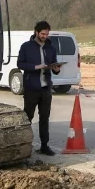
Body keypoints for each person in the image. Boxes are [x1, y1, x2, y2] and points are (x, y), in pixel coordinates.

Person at [17, 21, 61, 155]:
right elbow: (20, 63)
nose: (45, 36)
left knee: (44, 118)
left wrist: (57, 69)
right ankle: (24, 145)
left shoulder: (51, 48)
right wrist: (35, 67)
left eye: (47, 34)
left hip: (46, 89)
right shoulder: (26, 46)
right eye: (42, 34)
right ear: (36, 32)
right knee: (27, 117)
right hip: (31, 87)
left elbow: (55, 69)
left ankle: (44, 145)